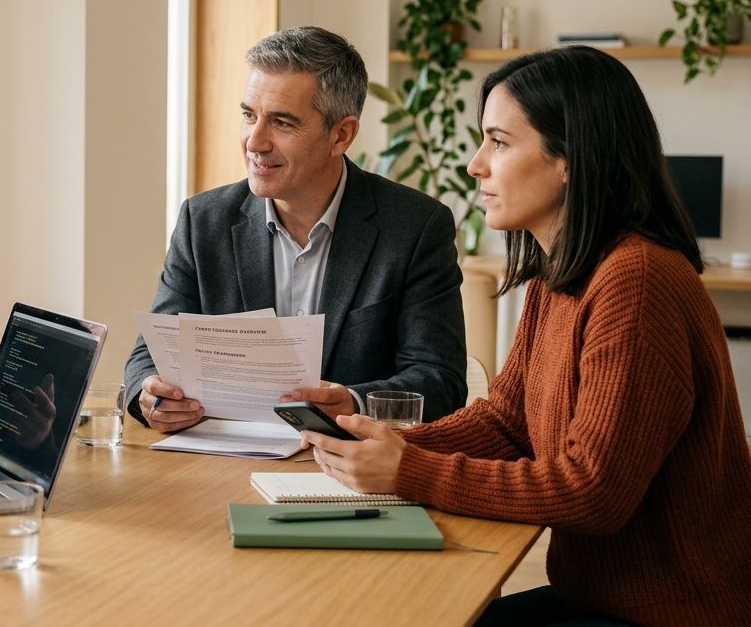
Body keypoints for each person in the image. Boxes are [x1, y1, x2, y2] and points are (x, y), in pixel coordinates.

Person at [302, 46, 751, 624]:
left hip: (670, 613)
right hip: (599, 598)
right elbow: (507, 422)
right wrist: (381, 444)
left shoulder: (636, 281)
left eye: (500, 141)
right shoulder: (561, 273)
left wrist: (409, 470)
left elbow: (593, 492)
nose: (475, 164)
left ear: (571, 157)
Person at [124, 26, 467, 432]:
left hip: (345, 469)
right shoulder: (204, 220)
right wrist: (149, 393)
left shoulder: (414, 227)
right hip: (218, 461)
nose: (255, 141)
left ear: (341, 135)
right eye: (249, 116)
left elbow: (439, 378)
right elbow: (152, 353)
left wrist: (354, 403)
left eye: (282, 123)